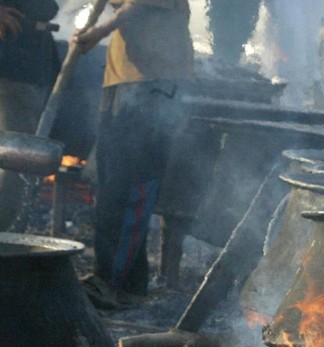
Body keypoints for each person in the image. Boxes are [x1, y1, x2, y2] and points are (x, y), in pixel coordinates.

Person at [73, 0, 193, 309]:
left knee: (128, 188)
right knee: (112, 184)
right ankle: (130, 284)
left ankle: (108, 281)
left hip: (153, 84)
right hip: (124, 81)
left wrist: (97, 31)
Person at [0, 0, 59, 230]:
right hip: (11, 66)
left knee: (18, 162)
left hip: (31, 62)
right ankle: (6, 242)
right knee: (16, 161)